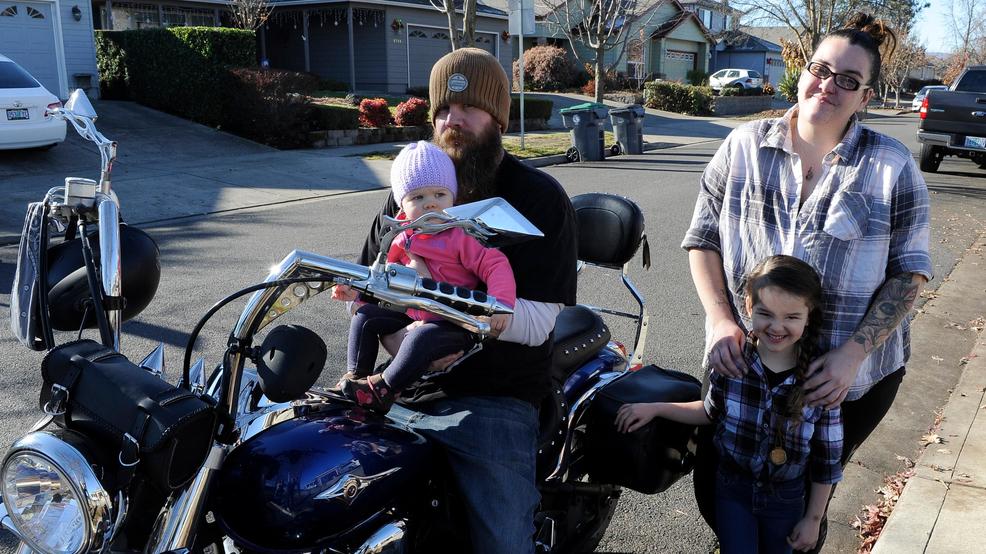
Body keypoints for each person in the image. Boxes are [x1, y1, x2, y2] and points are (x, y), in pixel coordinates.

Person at [682, 12, 932, 552]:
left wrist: (854, 355)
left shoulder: (891, 166)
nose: (829, 85)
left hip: (847, 379)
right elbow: (703, 238)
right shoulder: (744, 146)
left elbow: (909, 273)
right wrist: (721, 318)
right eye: (821, 69)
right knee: (715, 489)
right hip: (746, 363)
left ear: (865, 96)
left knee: (797, 504)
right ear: (801, 70)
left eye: (849, 80)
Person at [345, 48, 578, 554]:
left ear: (498, 117)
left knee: (503, 544)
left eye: (470, 108)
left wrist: (460, 328)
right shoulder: (409, 191)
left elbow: (539, 322)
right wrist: (403, 339)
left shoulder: (536, 196)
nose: (454, 120)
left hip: (494, 397)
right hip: (397, 390)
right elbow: (368, 287)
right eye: (443, 111)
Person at [616, 256, 842, 553]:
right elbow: (709, 412)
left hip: (786, 499)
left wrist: (813, 519)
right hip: (732, 491)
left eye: (791, 317)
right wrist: (656, 408)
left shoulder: (820, 380)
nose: (777, 326)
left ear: (808, 315)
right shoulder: (731, 361)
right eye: (765, 313)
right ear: (749, 307)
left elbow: (827, 462)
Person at [338, 140, 515, 413]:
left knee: (421, 340)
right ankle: (355, 378)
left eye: (439, 195)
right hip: (415, 314)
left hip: (454, 323)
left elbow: (495, 264)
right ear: (401, 205)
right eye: (418, 198)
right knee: (365, 316)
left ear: (453, 198)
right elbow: (381, 274)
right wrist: (357, 291)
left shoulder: (459, 237)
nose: (430, 204)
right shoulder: (401, 237)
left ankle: (383, 389)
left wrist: (502, 305)